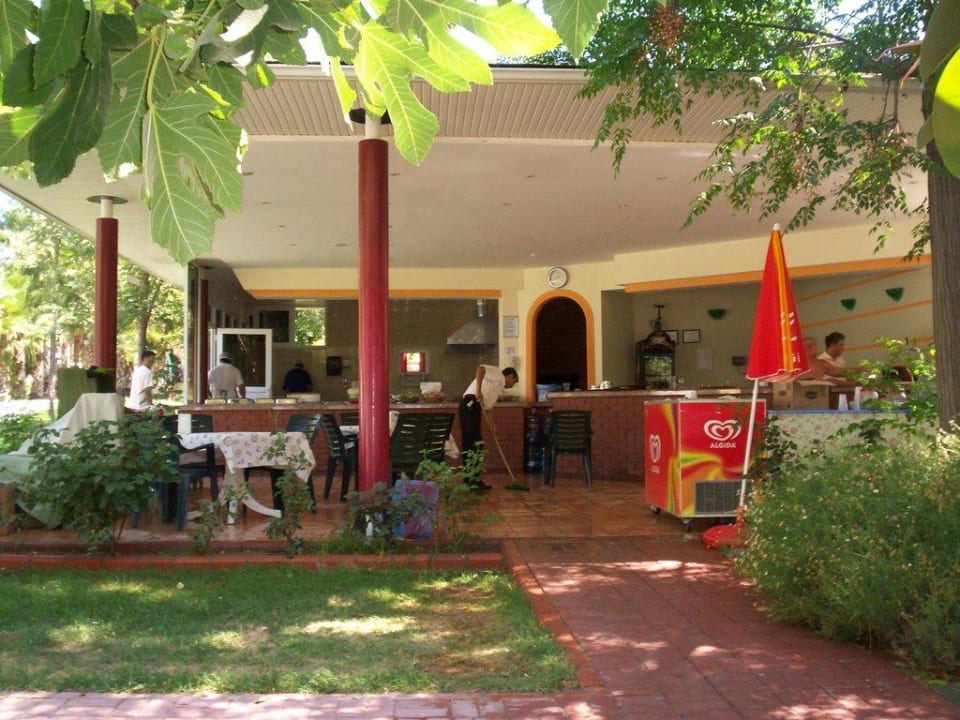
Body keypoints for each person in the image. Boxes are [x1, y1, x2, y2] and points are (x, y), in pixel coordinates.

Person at [458, 365, 519, 491]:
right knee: (475, 443)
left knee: (474, 444)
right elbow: (480, 369)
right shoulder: (497, 373)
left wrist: (491, 424)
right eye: (514, 381)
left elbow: (489, 407)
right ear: (510, 376)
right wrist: (478, 391)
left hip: (476, 408)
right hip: (470, 403)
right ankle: (472, 479)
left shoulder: (497, 389)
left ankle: (472, 479)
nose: (513, 385)